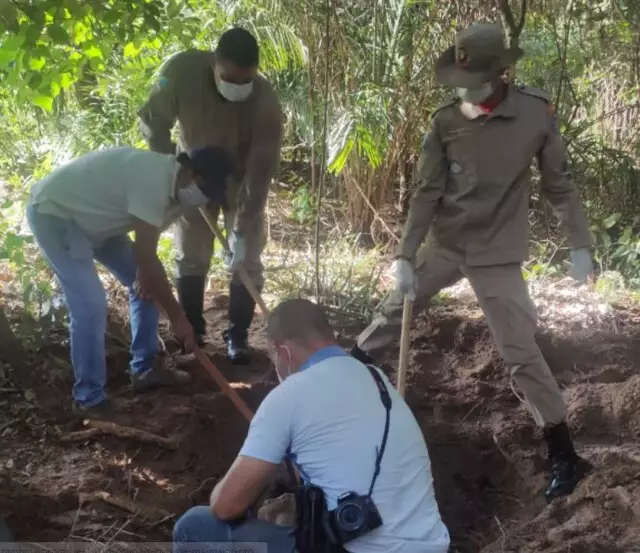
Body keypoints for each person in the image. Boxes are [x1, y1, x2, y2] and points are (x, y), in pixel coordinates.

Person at [351, 22, 595, 503]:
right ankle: (343, 373)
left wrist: (580, 245)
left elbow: (559, 185)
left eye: (477, 77)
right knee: (392, 311)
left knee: (520, 350)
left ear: (502, 72)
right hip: (445, 244)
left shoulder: (534, 113)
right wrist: (404, 255)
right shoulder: (445, 122)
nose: (466, 87)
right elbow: (426, 192)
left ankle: (564, 453)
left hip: (498, 253)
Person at [173, 298, 450, 553]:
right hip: (431, 546)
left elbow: (225, 507)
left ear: (283, 351)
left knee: (195, 527)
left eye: (274, 358)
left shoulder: (289, 395)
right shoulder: (378, 379)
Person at [26, 145, 234, 418]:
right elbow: (146, 257)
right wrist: (178, 318)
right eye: (205, 190)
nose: (204, 199)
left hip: (102, 222)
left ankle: (144, 369)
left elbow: (147, 266)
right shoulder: (153, 180)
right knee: (90, 306)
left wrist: (160, 295)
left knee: (145, 286)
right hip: (57, 214)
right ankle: (89, 399)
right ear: (191, 173)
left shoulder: (177, 194)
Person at [138, 26, 283, 364]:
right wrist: (173, 171)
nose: (237, 88)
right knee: (191, 253)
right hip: (193, 174)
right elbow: (153, 120)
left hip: (239, 180)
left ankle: (238, 335)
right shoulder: (181, 72)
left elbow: (261, 170)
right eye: (230, 79)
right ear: (215, 64)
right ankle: (193, 330)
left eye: (245, 82)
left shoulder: (265, 100)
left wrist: (242, 230)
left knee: (245, 261)